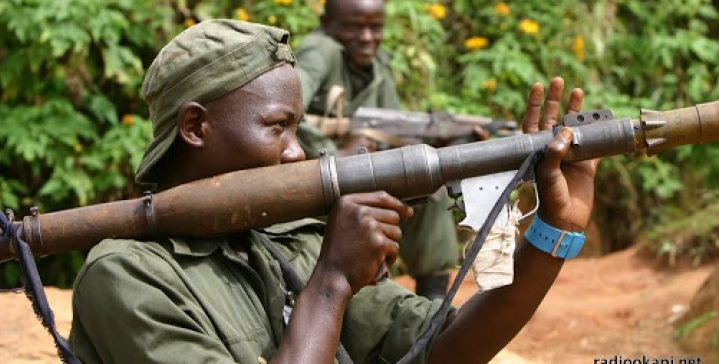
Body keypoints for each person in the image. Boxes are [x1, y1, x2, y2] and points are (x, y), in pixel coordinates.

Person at [69, 19, 597, 364]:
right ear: (195, 127)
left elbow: (444, 352)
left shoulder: (283, 239)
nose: (297, 152)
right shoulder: (127, 277)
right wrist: (330, 284)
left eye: (298, 129)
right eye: (277, 127)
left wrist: (556, 233)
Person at [294, 0, 457, 299]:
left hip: (361, 174)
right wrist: (332, 153)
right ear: (327, 24)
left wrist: (427, 145)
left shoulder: (378, 67)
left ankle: (433, 307)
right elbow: (286, 104)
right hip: (314, 176)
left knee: (431, 192)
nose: (367, 38)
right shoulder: (321, 50)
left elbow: (392, 131)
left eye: (376, 28)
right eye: (354, 27)